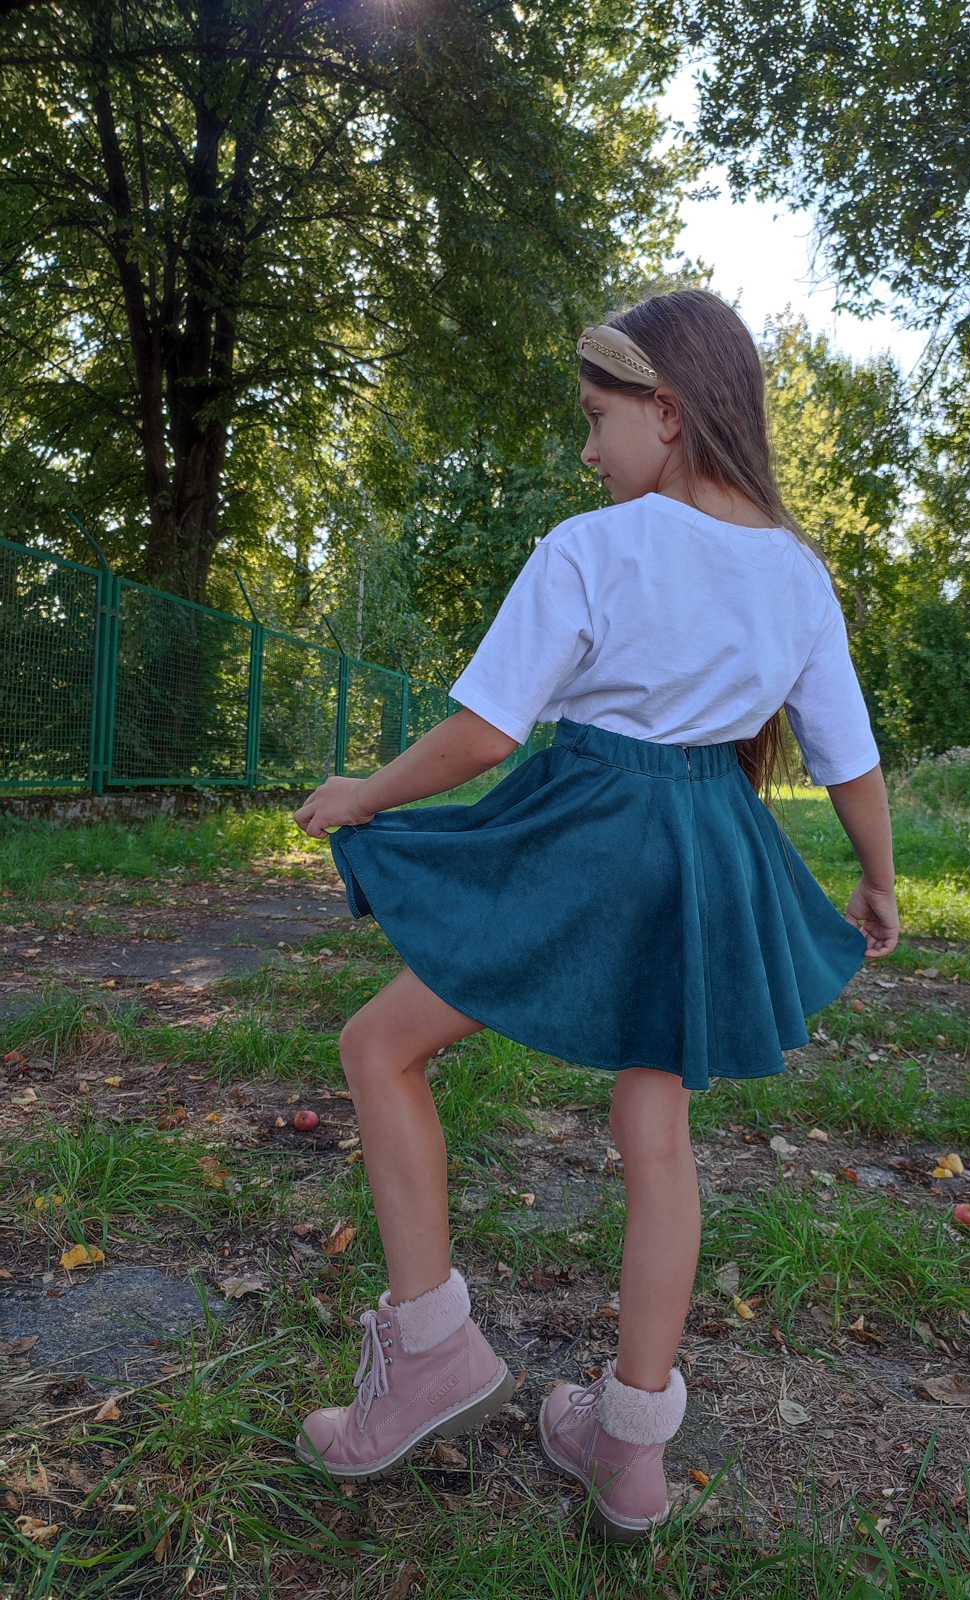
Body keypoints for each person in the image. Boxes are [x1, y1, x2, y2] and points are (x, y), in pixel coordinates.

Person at [291, 289, 899, 1540]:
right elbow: (849, 756)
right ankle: (629, 1448)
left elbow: (484, 734)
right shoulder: (797, 574)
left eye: (595, 417)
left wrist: (366, 792)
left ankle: (430, 1353)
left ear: (666, 412)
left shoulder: (593, 547)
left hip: (586, 838)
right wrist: (878, 876)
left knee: (378, 1044)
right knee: (656, 1129)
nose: (586, 449)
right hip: (706, 853)